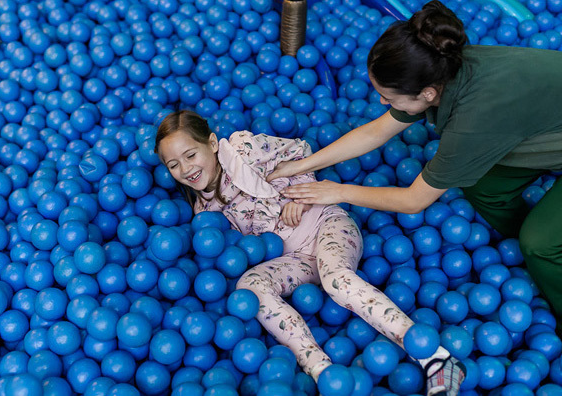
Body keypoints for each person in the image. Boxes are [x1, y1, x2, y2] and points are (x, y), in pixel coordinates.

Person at [270, 0, 562, 340]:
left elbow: (413, 201)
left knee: (538, 243)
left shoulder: (472, 121)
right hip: (543, 126)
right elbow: (375, 132)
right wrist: (302, 164)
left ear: (427, 94)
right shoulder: (438, 67)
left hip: (525, 127)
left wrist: (337, 191)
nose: (382, 102)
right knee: (482, 187)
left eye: (390, 98)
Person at [155, 110, 464, 395]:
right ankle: (321, 370)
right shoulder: (204, 212)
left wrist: (300, 198)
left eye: (191, 155)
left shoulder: (243, 150)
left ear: (211, 143)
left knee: (336, 279)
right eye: (173, 165)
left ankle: (436, 358)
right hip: (296, 260)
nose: (186, 168)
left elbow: (299, 150)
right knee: (249, 287)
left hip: (325, 225)